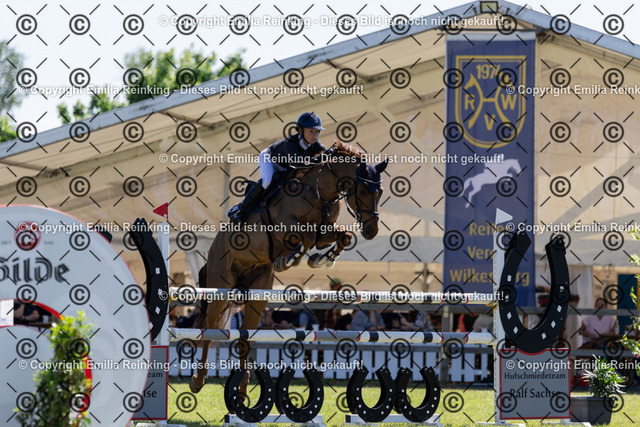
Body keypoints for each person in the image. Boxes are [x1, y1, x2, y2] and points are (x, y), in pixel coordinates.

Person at [229, 112, 328, 223]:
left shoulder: (316, 144)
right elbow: (300, 164)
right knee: (268, 181)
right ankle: (241, 210)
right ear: (300, 131)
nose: (314, 135)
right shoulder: (291, 143)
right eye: (311, 131)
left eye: (317, 131)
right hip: (269, 159)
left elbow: (327, 157)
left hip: (286, 166)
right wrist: (322, 157)